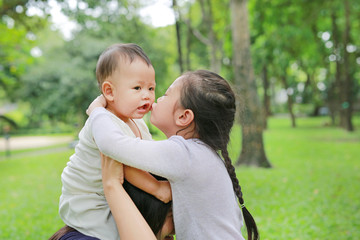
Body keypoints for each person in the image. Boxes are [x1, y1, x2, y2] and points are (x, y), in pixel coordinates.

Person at [86, 70, 259, 240]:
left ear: (184, 117)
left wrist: (97, 112)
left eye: (167, 95)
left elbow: (112, 144)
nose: (158, 98)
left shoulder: (184, 154)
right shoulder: (207, 157)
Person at [58, 43, 172, 240]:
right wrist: (157, 189)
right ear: (109, 92)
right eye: (137, 87)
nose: (146, 94)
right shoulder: (104, 123)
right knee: (115, 233)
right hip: (87, 201)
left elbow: (143, 157)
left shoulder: (137, 121)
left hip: (109, 196)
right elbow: (126, 166)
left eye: (151, 87)